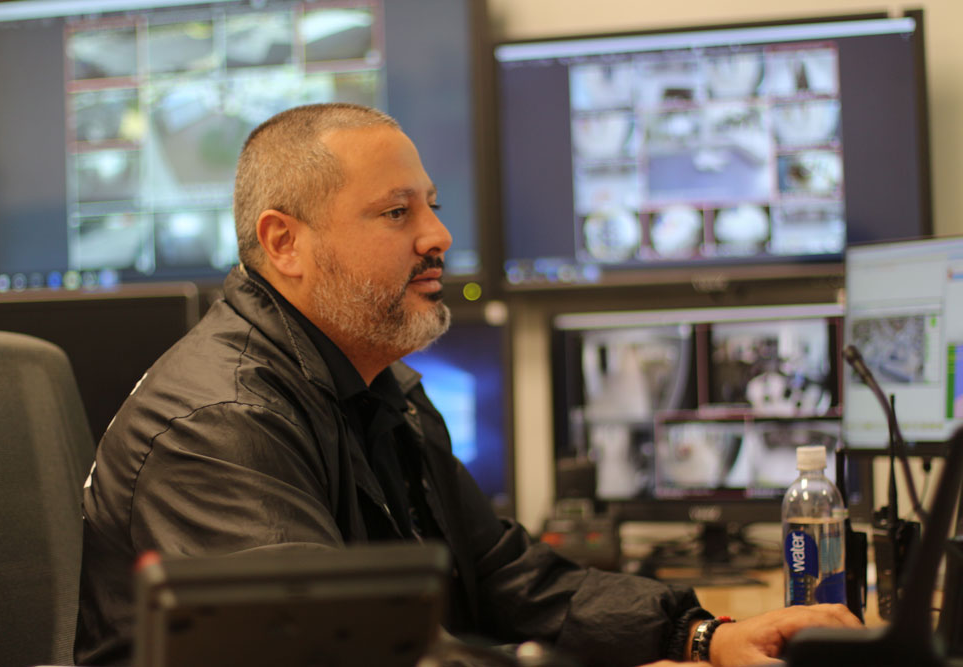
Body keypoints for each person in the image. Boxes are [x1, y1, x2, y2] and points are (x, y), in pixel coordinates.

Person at [74, 103, 860, 666]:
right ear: (285, 243)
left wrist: (700, 634)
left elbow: (505, 580)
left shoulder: (382, 390)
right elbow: (321, 648)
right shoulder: (223, 426)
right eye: (395, 212)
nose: (439, 235)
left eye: (434, 206)